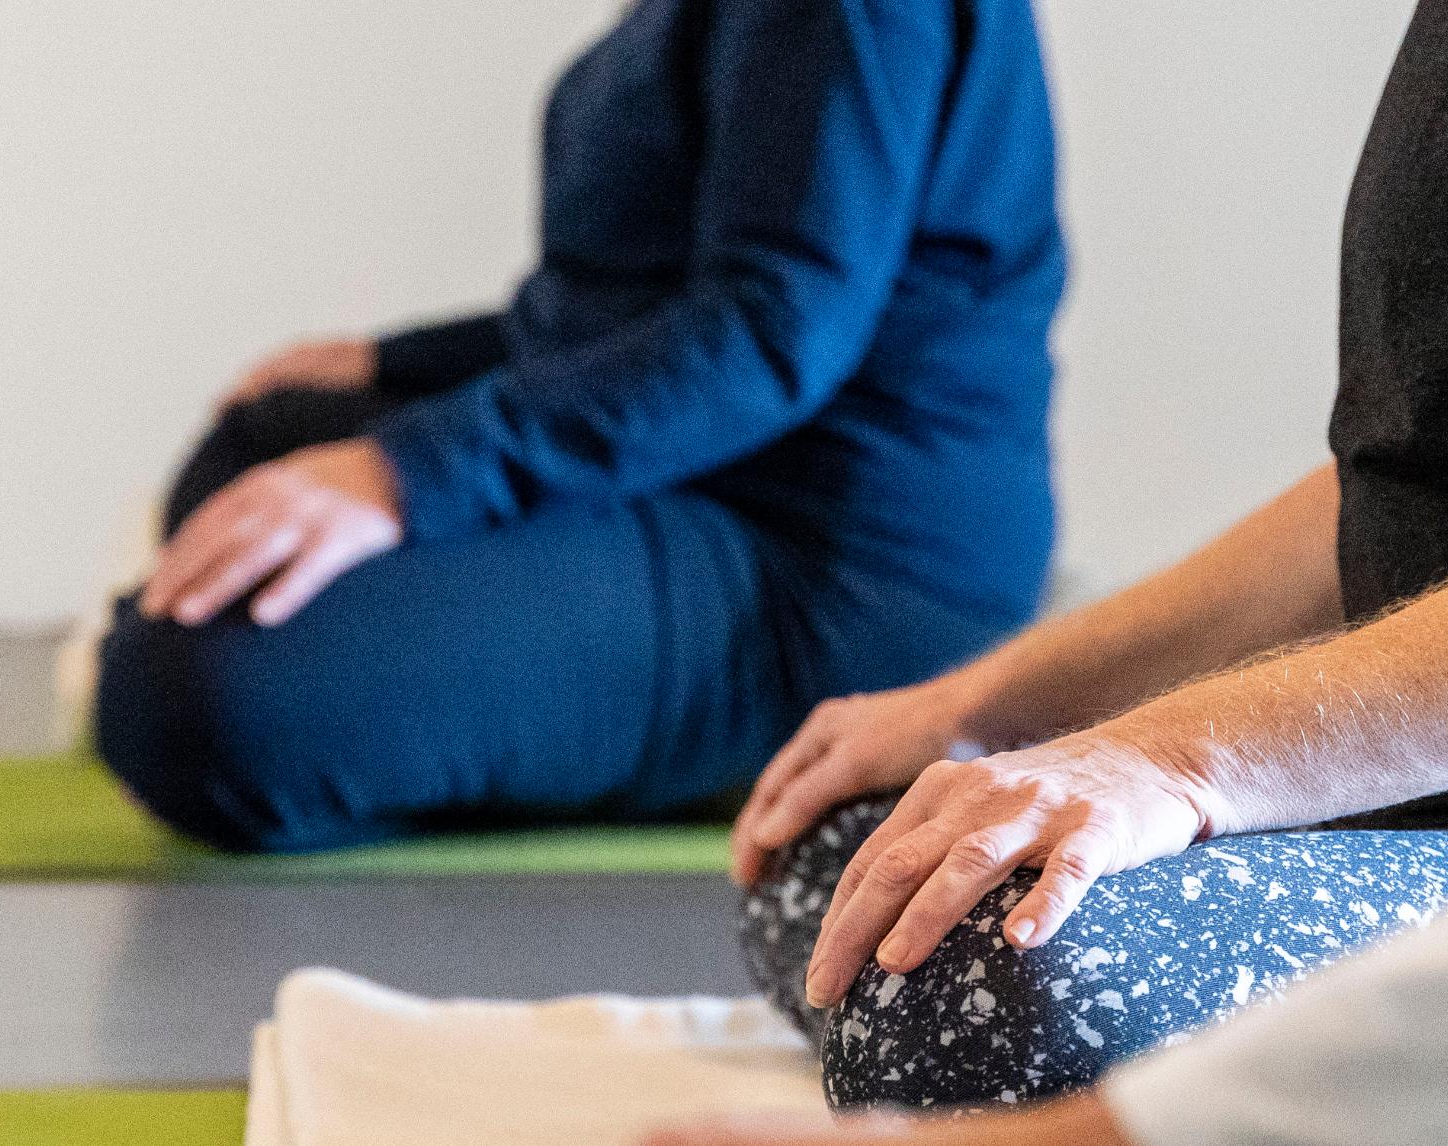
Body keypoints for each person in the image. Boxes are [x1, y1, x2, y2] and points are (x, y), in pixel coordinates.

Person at [729, 0, 1448, 1112]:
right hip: (1425, 787)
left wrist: (1173, 763)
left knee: (967, 985)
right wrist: (985, 708)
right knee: (854, 842)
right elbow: (1412, 486)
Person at [92, 0, 1067, 854]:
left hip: (832, 567)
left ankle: (737, 752)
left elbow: (771, 335)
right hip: (710, 463)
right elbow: (643, 308)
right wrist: (398, 366)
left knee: (180, 698)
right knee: (265, 441)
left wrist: (405, 474)